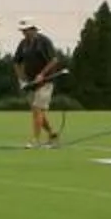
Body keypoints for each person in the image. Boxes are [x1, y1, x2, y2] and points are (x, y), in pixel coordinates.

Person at [11, 20, 66, 148]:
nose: (24, 33)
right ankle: (52, 134)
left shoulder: (44, 41)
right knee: (38, 111)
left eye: (26, 30)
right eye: (23, 31)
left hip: (46, 81)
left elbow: (54, 60)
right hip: (31, 83)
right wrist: (21, 79)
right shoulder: (23, 44)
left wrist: (42, 75)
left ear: (34, 29)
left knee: (37, 109)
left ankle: (35, 140)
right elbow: (16, 62)